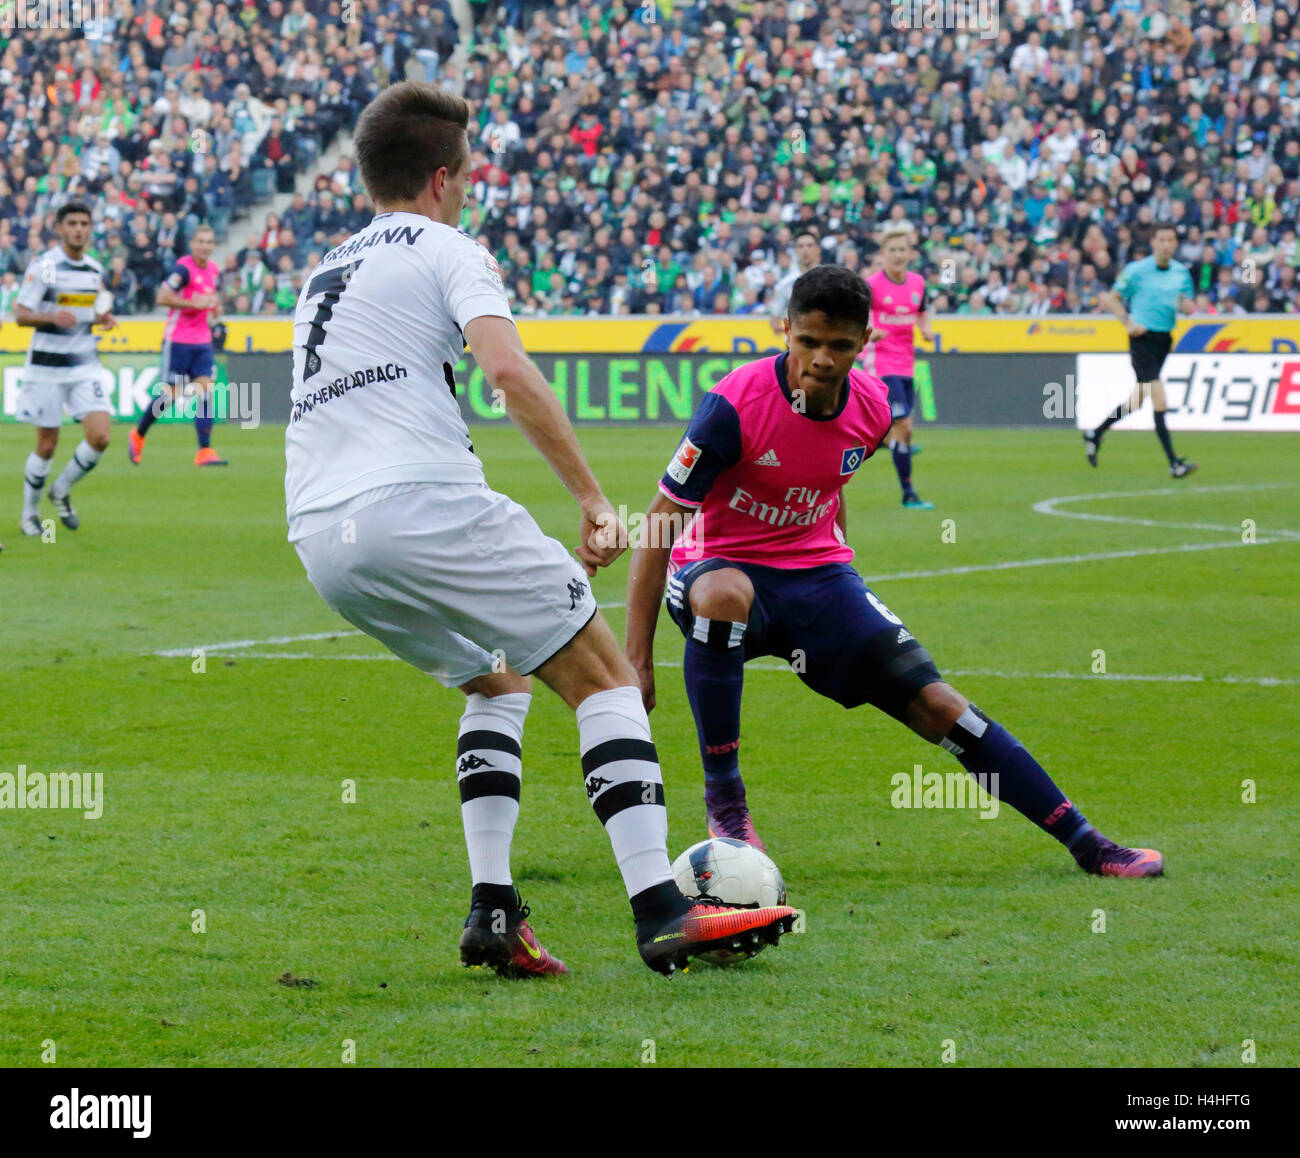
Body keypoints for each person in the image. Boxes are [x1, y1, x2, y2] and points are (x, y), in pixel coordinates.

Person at [283, 82, 797, 978]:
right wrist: (596, 500)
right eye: (470, 170)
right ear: (443, 176)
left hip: (323, 536)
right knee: (602, 673)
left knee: (499, 680)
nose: (474, 185)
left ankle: (493, 910)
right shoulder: (449, 247)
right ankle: (663, 911)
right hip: (421, 503)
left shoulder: (323, 271)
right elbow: (509, 374)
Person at [624, 264, 1164, 880]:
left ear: (864, 341)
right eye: (808, 342)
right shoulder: (734, 405)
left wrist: (843, 583)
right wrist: (637, 657)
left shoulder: (876, 408)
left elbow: (829, 479)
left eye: (839, 346)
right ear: (785, 331)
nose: (821, 360)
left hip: (817, 577)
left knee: (940, 705)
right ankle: (726, 802)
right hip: (714, 568)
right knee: (724, 595)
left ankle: (1087, 842)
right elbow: (661, 522)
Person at [12, 202, 116, 536]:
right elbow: (21, 312)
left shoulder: (93, 270)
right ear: (59, 228)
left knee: (100, 436)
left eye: (84, 223)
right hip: (46, 368)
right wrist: (50, 316)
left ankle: (61, 488)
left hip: (84, 365)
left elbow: (85, 311)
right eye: (72, 223)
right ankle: (29, 514)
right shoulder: (44, 267)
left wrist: (102, 319)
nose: (79, 229)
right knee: (46, 445)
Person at [1087, 224, 1197, 477]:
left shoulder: (1181, 273)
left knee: (1136, 401)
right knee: (1159, 398)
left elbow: (1185, 301)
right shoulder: (1136, 270)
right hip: (1141, 339)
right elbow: (1111, 298)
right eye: (1162, 240)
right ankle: (1174, 463)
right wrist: (1127, 322)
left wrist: (1186, 306)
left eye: (1171, 240)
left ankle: (1095, 433)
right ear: (1154, 243)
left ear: (1175, 244)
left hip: (1163, 340)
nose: (1166, 244)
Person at [131, 225, 228, 466]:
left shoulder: (214, 270)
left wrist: (213, 308)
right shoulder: (183, 269)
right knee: (170, 396)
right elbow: (161, 297)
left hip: (202, 341)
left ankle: (204, 451)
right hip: (178, 340)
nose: (205, 246)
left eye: (209, 242)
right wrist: (193, 304)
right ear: (193, 244)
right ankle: (138, 434)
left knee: (207, 391)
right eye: (201, 241)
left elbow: (210, 301)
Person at [862, 223, 936, 509]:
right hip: (880, 361)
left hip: (907, 363)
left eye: (902, 249)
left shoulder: (917, 282)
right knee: (902, 423)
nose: (897, 254)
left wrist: (926, 330)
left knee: (906, 430)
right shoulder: (872, 285)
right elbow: (860, 316)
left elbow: (922, 313)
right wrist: (870, 330)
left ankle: (903, 482)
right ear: (883, 254)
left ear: (910, 253)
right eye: (892, 250)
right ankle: (907, 491)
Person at [769, 228, 821, 335]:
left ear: (818, 249)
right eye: (801, 246)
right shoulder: (785, 284)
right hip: (797, 346)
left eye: (810, 245)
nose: (805, 250)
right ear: (795, 250)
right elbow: (774, 322)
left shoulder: (830, 281)